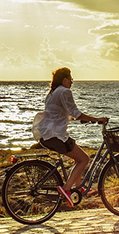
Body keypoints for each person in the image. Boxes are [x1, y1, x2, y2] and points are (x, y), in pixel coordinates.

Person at [39, 67, 107, 206]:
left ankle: (78, 187)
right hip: (55, 135)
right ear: (65, 80)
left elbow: (61, 112)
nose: (72, 82)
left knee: (79, 158)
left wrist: (81, 118)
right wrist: (98, 119)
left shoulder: (52, 92)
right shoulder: (65, 91)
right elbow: (76, 113)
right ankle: (66, 189)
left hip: (46, 133)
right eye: (71, 79)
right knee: (84, 159)